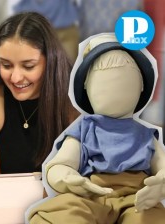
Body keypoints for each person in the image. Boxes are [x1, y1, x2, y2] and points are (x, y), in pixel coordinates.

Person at [27, 33, 165, 224]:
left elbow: (163, 166)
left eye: (124, 81)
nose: (115, 89)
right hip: (91, 194)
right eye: (106, 82)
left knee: (151, 219)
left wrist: (161, 184)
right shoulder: (84, 129)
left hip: (137, 199)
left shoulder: (146, 135)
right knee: (61, 215)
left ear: (141, 86)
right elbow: (60, 164)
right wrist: (67, 178)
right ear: (87, 86)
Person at [0, 12, 78, 175]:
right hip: (2, 197)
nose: (16, 77)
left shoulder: (72, 100)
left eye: (28, 66)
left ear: (51, 61)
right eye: (6, 65)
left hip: (59, 198)